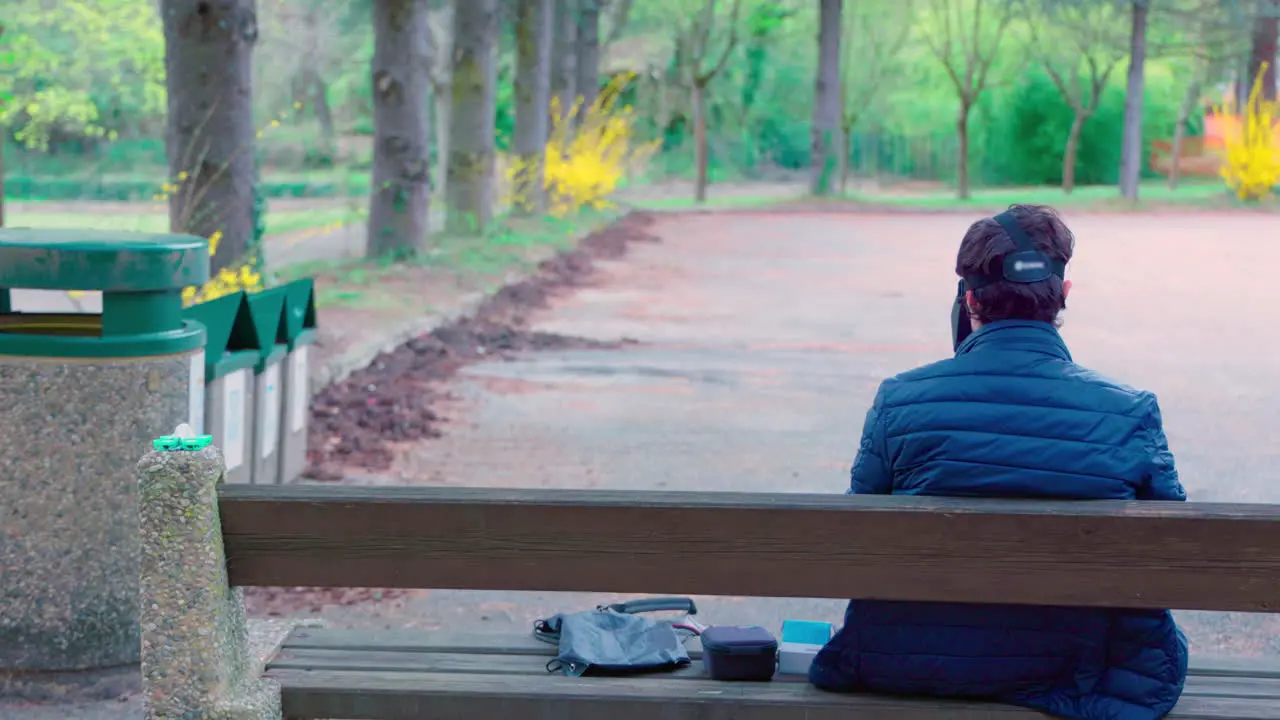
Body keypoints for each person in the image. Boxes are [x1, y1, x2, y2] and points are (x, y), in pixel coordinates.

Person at [809, 204, 1189, 720]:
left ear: (968, 302)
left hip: (907, 662)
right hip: (1085, 674)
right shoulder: (1128, 412)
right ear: (1064, 297)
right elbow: (1169, 554)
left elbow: (860, 541)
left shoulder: (900, 400)